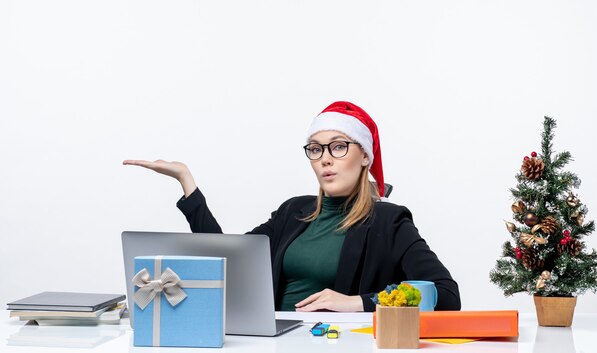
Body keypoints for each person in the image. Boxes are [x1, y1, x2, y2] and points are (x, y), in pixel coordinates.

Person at [124, 101, 461, 312]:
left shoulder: (389, 221)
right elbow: (228, 261)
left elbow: (446, 295)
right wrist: (187, 182)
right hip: (271, 341)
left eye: (339, 146)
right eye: (315, 149)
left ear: (365, 157)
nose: (325, 159)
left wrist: (359, 302)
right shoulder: (293, 212)